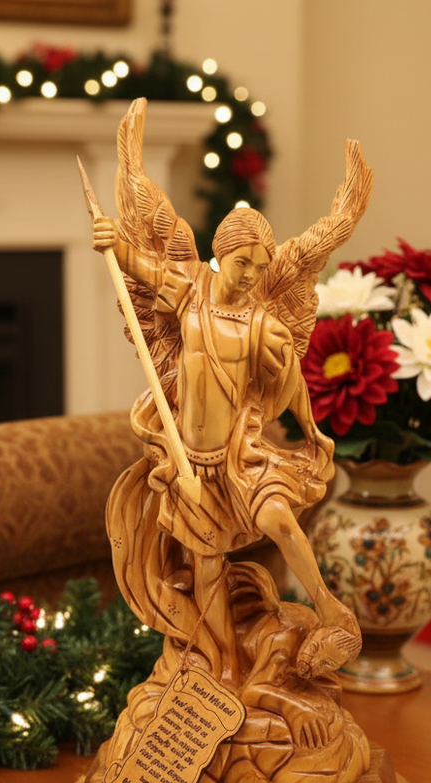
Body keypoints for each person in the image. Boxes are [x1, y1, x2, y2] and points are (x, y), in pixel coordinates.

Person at [92, 205, 362, 688]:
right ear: (221, 254)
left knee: (279, 519)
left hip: (239, 456)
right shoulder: (191, 290)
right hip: (188, 460)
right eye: (242, 263)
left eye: (261, 267)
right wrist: (113, 240)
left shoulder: (262, 324)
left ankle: (327, 605)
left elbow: (292, 381)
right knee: (207, 562)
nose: (251, 275)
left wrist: (311, 430)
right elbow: (146, 268)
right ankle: (225, 665)